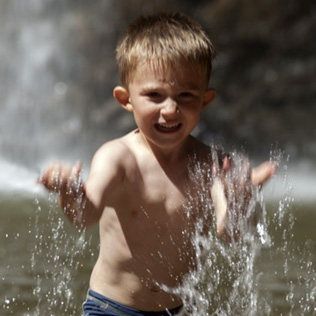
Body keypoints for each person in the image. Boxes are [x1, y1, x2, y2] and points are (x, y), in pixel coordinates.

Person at [39, 12, 275, 316]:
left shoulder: (212, 164)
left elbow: (228, 230)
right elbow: (86, 214)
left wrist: (241, 203)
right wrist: (69, 192)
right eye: (154, 95)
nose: (171, 109)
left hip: (179, 309)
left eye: (185, 95)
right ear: (126, 100)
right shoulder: (118, 158)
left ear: (205, 99)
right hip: (112, 308)